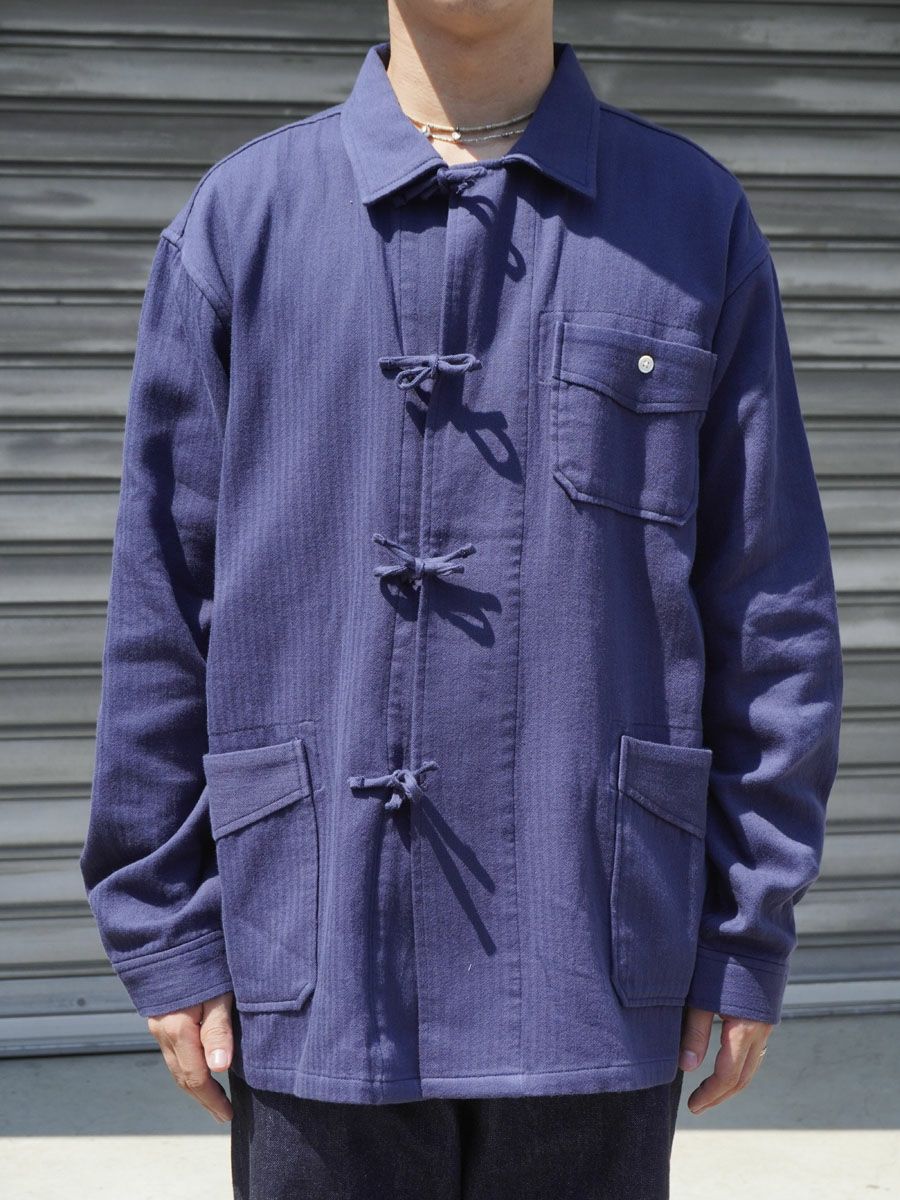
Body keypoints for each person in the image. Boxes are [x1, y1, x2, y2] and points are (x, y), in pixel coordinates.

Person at [79, 1, 844, 1196]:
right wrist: (165, 924)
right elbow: (160, 604)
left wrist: (747, 926)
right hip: (317, 945)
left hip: (592, 948)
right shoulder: (243, 222)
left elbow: (769, 602)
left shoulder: (690, 220)